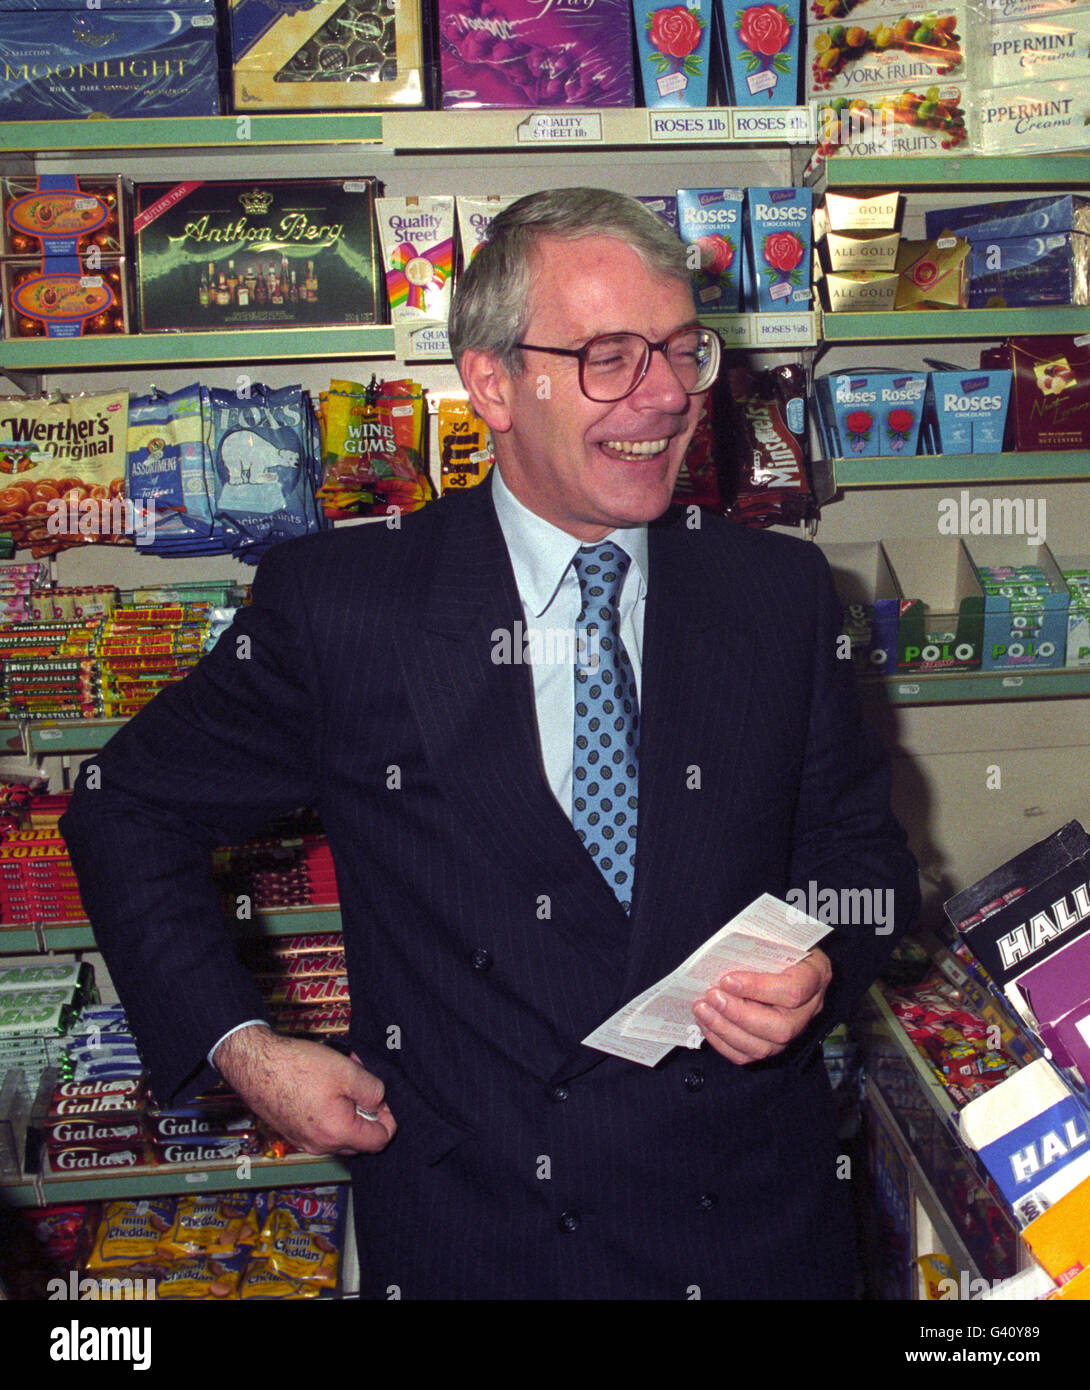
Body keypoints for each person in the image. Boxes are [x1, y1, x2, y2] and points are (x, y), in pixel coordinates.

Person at [61, 188, 919, 1300]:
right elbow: (125, 805)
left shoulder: (779, 593)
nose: (663, 396)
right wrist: (241, 1045)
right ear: (491, 382)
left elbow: (863, 855)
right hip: (484, 1235)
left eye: (679, 350)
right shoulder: (347, 607)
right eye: (609, 355)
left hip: (749, 1225)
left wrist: (822, 960)